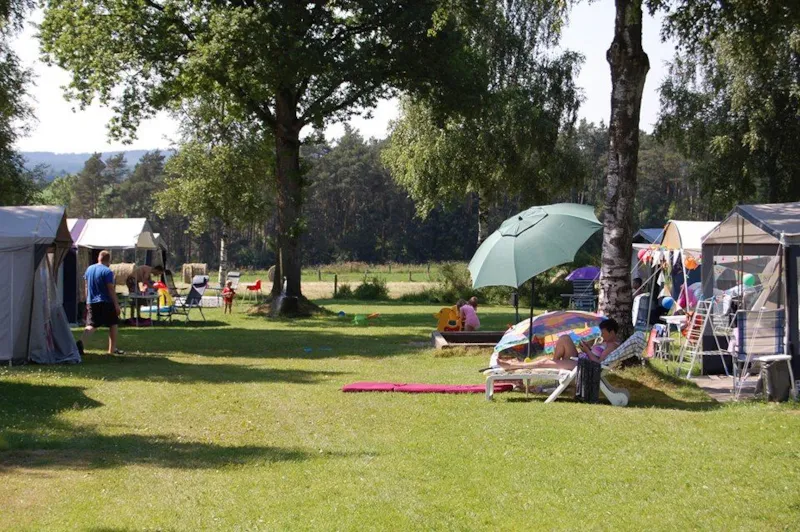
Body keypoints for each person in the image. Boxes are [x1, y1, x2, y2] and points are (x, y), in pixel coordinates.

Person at [497, 318, 621, 371]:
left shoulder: (611, 346)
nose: (602, 335)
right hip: (579, 359)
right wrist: (587, 348)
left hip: (583, 365)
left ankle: (512, 366)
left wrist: (588, 351)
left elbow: (598, 363)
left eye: (604, 333)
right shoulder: (606, 342)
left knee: (543, 362)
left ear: (612, 332)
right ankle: (555, 364)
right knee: (564, 338)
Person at [77, 250, 123, 356]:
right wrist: (116, 304)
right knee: (113, 324)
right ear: (108, 260)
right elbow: (110, 289)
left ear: (99, 258)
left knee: (91, 325)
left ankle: (81, 343)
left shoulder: (89, 269)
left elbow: (86, 285)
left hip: (91, 301)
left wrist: (86, 299)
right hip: (106, 301)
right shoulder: (107, 271)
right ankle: (111, 350)